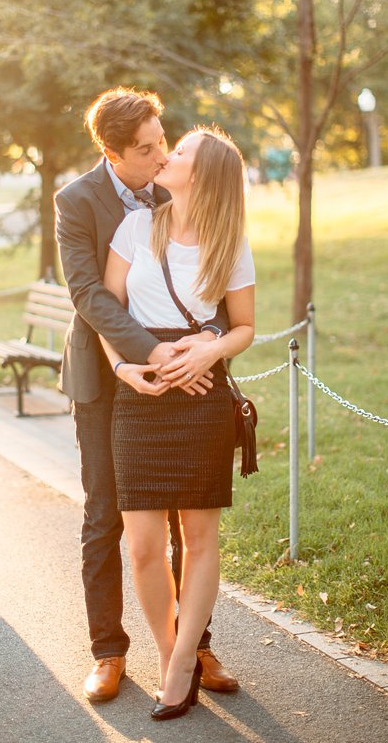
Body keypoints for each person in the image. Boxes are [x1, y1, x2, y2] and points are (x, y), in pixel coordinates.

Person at [54, 87, 238, 704]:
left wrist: (205, 344)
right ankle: (109, 651)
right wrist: (145, 353)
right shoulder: (76, 200)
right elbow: (89, 293)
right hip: (105, 380)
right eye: (147, 149)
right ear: (111, 151)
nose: (161, 156)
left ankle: (193, 645)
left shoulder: (174, 185)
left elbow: (207, 281)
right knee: (108, 515)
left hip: (181, 379)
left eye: (164, 141)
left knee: (188, 514)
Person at [99, 126, 255, 720]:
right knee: (141, 545)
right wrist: (124, 369)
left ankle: (185, 659)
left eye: (180, 151)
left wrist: (209, 352)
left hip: (201, 395)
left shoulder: (230, 241)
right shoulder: (136, 226)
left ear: (205, 174)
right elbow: (108, 311)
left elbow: (242, 325)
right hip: (141, 389)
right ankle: (173, 656)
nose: (167, 155)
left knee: (197, 537)